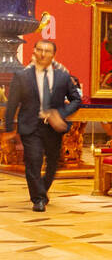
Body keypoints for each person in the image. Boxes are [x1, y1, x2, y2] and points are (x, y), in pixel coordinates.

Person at [4, 39, 83, 212]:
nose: (42, 53)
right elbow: (12, 103)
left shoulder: (63, 77)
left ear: (53, 55)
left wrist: (60, 114)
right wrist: (8, 127)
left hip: (53, 128)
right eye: (39, 50)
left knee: (53, 163)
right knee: (33, 160)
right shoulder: (22, 76)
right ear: (34, 51)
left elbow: (76, 99)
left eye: (47, 51)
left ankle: (42, 189)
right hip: (30, 126)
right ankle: (38, 198)